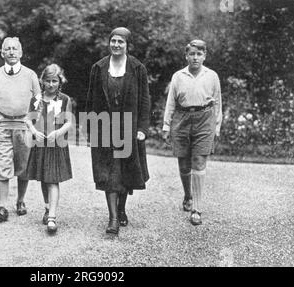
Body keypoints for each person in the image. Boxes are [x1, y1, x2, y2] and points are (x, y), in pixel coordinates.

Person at [86, 27, 151, 234]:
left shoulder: (137, 68)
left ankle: (121, 209)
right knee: (110, 172)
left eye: (120, 42)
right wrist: (91, 129)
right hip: (104, 126)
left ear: (127, 45)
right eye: (113, 41)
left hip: (128, 127)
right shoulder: (99, 67)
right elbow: (91, 100)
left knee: (125, 171)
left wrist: (142, 128)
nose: (116, 45)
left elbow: (144, 100)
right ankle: (113, 219)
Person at [0, 37, 42, 222]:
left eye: (15, 48)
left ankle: (21, 201)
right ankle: (2, 206)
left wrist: (33, 121)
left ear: (21, 52)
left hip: (23, 126)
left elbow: (38, 101)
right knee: (2, 164)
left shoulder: (31, 75)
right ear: (2, 53)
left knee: (23, 165)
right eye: (7, 49)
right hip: (1, 126)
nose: (12, 52)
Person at [162, 39, 222, 226]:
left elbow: (218, 102)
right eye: (192, 54)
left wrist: (217, 127)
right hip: (182, 118)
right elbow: (171, 101)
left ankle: (196, 208)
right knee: (183, 163)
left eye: (199, 54)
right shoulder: (178, 76)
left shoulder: (211, 76)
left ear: (204, 56)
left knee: (199, 161)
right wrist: (166, 125)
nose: (195, 58)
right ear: (186, 55)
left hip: (205, 118)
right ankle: (188, 195)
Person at [25, 64, 73, 233]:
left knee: (53, 179)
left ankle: (52, 216)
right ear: (42, 81)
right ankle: (47, 207)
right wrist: (34, 132)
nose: (51, 84)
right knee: (44, 179)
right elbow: (28, 120)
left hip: (56, 144)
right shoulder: (36, 99)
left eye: (54, 81)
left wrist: (59, 132)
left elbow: (68, 122)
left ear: (60, 82)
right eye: (48, 81)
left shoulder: (65, 99)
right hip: (40, 143)